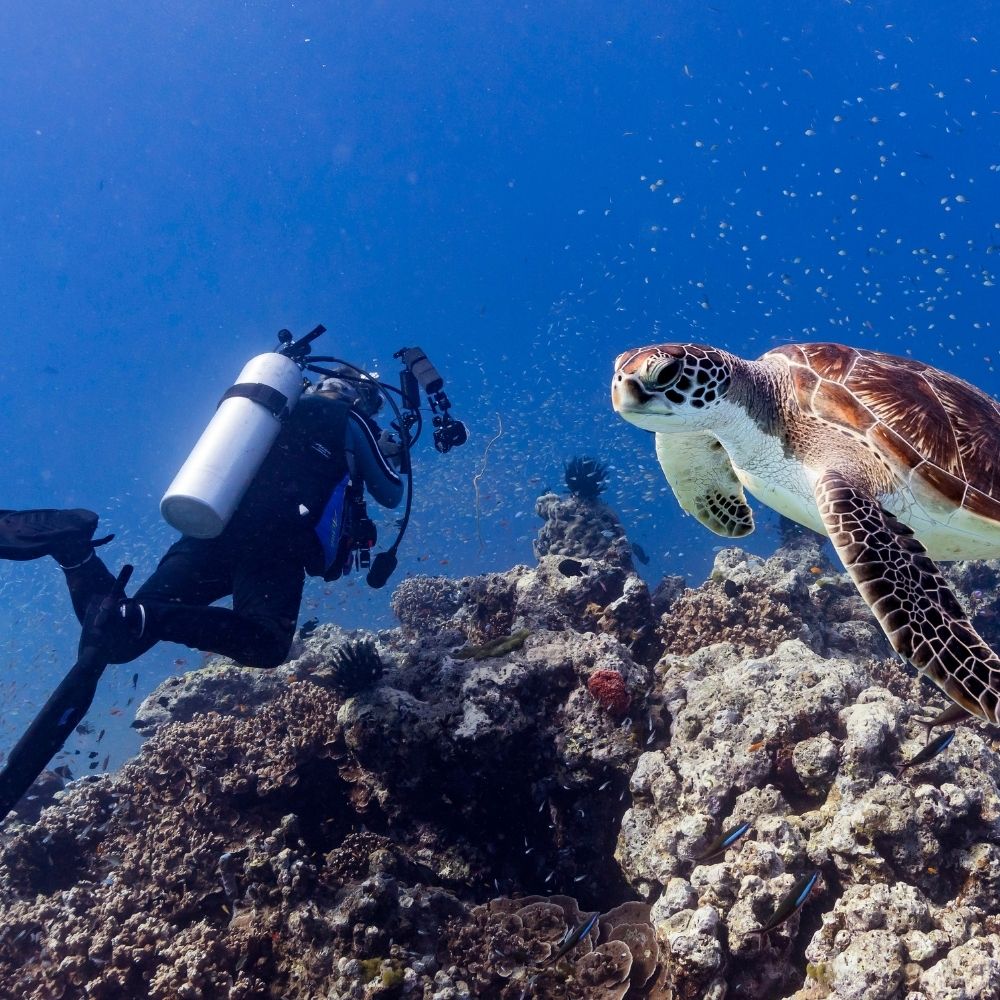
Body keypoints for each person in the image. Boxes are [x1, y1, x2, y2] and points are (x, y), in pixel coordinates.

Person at [0, 371, 403, 669]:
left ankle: (72, 548)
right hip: (274, 544)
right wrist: (390, 450)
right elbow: (391, 492)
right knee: (266, 644)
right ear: (359, 396)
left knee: (117, 639)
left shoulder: (277, 412)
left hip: (209, 527)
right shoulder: (347, 418)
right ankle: (151, 614)